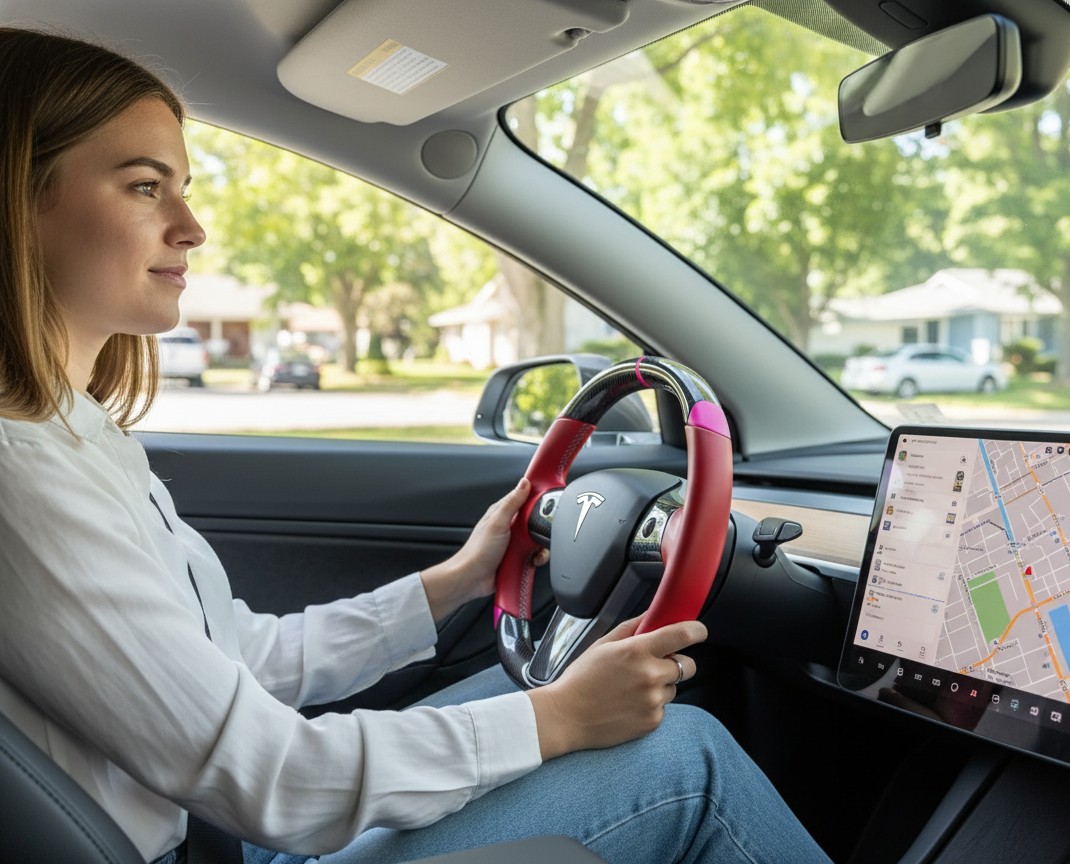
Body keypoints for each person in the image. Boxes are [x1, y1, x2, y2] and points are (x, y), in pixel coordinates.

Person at [0, 26, 831, 864]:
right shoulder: (22, 475)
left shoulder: (73, 435)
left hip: (218, 838)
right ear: (14, 199)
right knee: (683, 762)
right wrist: (562, 718)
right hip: (218, 844)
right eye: (146, 187)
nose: (191, 227)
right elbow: (275, 779)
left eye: (181, 188)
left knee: (543, 693)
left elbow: (239, 660)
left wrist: (457, 581)